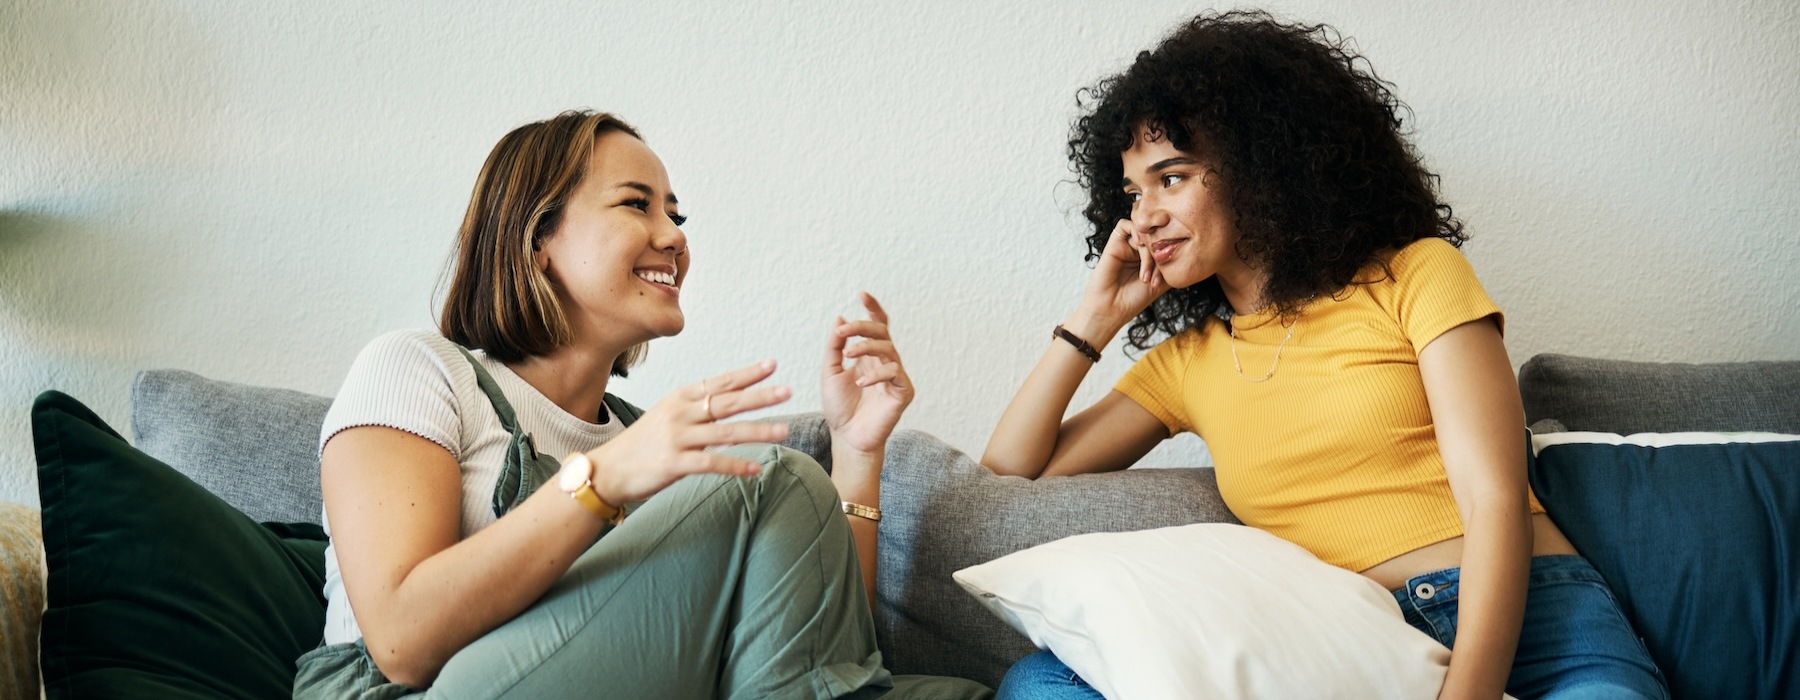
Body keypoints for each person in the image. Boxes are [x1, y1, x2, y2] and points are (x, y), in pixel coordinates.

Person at [982, 12, 1667, 700]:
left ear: (1261, 165)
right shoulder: (1187, 365)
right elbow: (1011, 474)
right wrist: (1093, 321)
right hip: (1346, 645)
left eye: (1172, 177)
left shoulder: (1415, 277)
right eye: (1133, 192)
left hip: (1537, 629)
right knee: (1040, 683)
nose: (1144, 216)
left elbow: (1493, 501)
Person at [294, 110, 990, 699]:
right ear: (537, 240)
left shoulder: (641, 438)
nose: (674, 236)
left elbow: (815, 640)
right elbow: (399, 641)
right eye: (637, 204)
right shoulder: (418, 371)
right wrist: (606, 479)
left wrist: (858, 451)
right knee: (772, 477)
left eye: (675, 213)